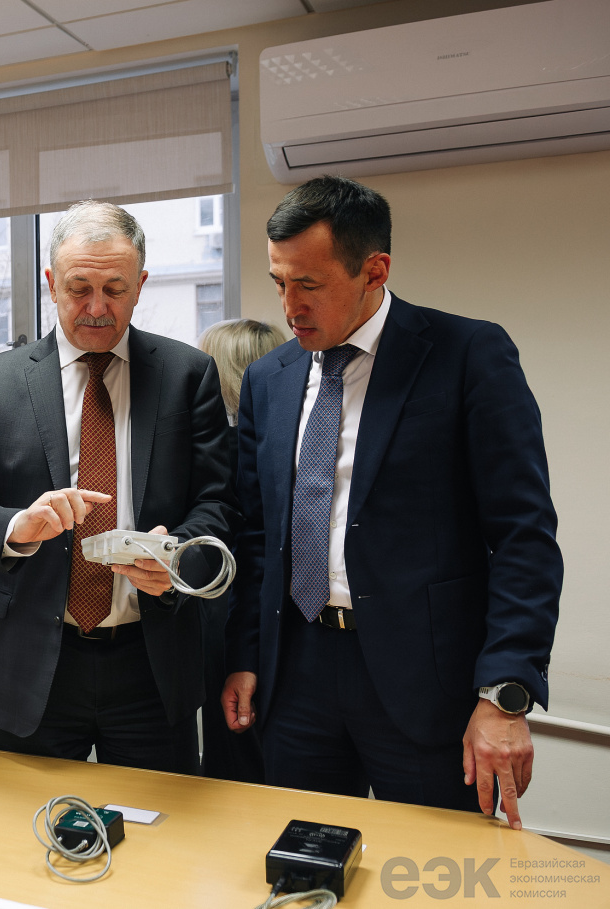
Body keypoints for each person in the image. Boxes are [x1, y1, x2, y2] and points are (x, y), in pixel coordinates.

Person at [222, 175, 561, 829]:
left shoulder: (466, 355)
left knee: (437, 869)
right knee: (306, 863)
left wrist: (504, 693)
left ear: (374, 270)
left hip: (426, 684)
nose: (289, 306)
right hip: (297, 675)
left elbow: (523, 535)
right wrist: (244, 654)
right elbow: (258, 535)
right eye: (279, 282)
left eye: (308, 284)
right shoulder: (269, 378)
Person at [0, 201, 237, 771]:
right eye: (79, 288)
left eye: (115, 289)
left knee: (159, 822)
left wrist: (178, 558)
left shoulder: (186, 375)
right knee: (25, 821)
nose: (96, 307)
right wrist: (16, 526)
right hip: (29, 660)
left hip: (151, 661)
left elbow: (219, 501)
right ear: (51, 284)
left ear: (140, 285)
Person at [194, 318, 284, 782]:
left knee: (232, 751)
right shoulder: (288, 445)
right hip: (286, 614)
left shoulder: (216, 453)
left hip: (227, 613)